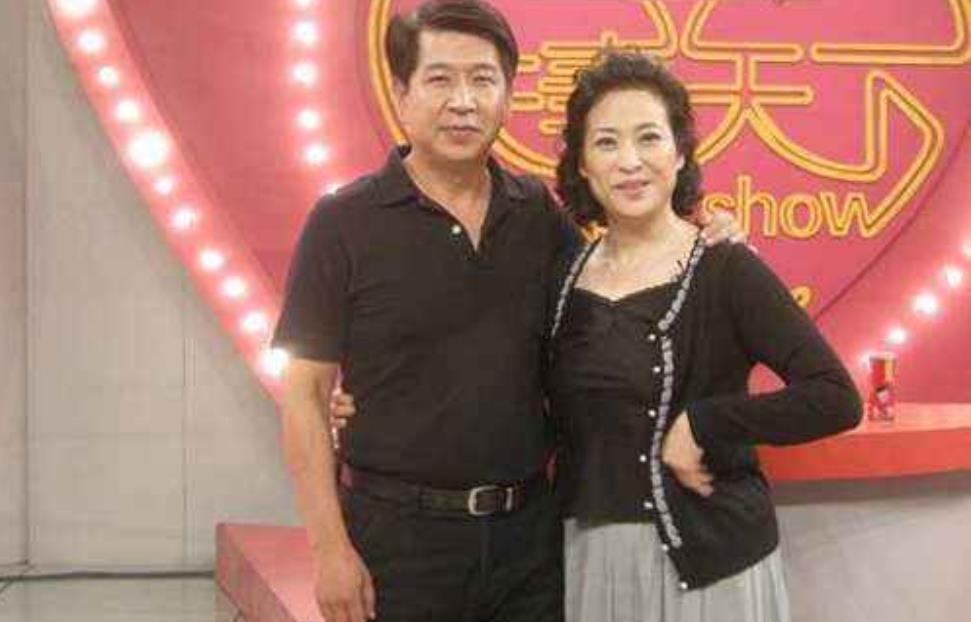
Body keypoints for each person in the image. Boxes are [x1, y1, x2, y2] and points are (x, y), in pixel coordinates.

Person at [273, 2, 740, 621]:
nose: (463, 102)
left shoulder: (537, 213)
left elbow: (621, 288)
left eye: (483, 80)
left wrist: (707, 240)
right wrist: (329, 549)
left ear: (508, 94)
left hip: (529, 542)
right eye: (440, 80)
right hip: (397, 543)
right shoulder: (342, 223)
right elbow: (305, 395)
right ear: (402, 94)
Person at [547, 51, 863, 622]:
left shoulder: (725, 266)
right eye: (607, 143)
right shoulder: (563, 276)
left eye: (649, 137)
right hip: (590, 559)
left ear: (680, 152)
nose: (630, 161)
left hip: (712, 566)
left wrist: (705, 423)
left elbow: (835, 397)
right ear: (583, 165)